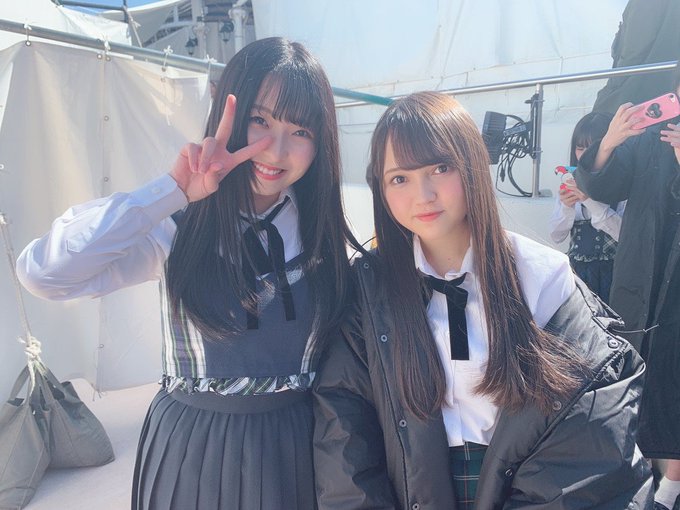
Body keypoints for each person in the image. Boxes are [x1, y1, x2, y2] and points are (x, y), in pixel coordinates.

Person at [17, 37, 361, 510]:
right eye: (260, 120)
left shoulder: (323, 236)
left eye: (300, 130)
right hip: (192, 450)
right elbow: (44, 273)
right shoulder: (178, 226)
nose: (274, 149)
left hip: (297, 447)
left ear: (322, 142)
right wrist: (173, 189)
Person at [313, 91, 653, 509]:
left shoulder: (541, 275)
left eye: (440, 168)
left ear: (472, 165)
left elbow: (586, 430)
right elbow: (345, 432)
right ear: (380, 189)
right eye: (399, 178)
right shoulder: (369, 288)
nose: (423, 194)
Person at [575, 57, 680, 510]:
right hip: (642, 277)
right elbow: (604, 187)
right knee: (636, 372)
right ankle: (640, 474)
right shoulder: (653, 137)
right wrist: (609, 143)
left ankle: (670, 485)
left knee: (674, 380)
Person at [549, 112, 625, 303]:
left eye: (593, 148)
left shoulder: (624, 187)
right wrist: (566, 206)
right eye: (580, 148)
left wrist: (589, 200)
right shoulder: (569, 181)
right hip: (576, 276)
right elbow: (556, 236)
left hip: (615, 275)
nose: (584, 155)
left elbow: (625, 236)